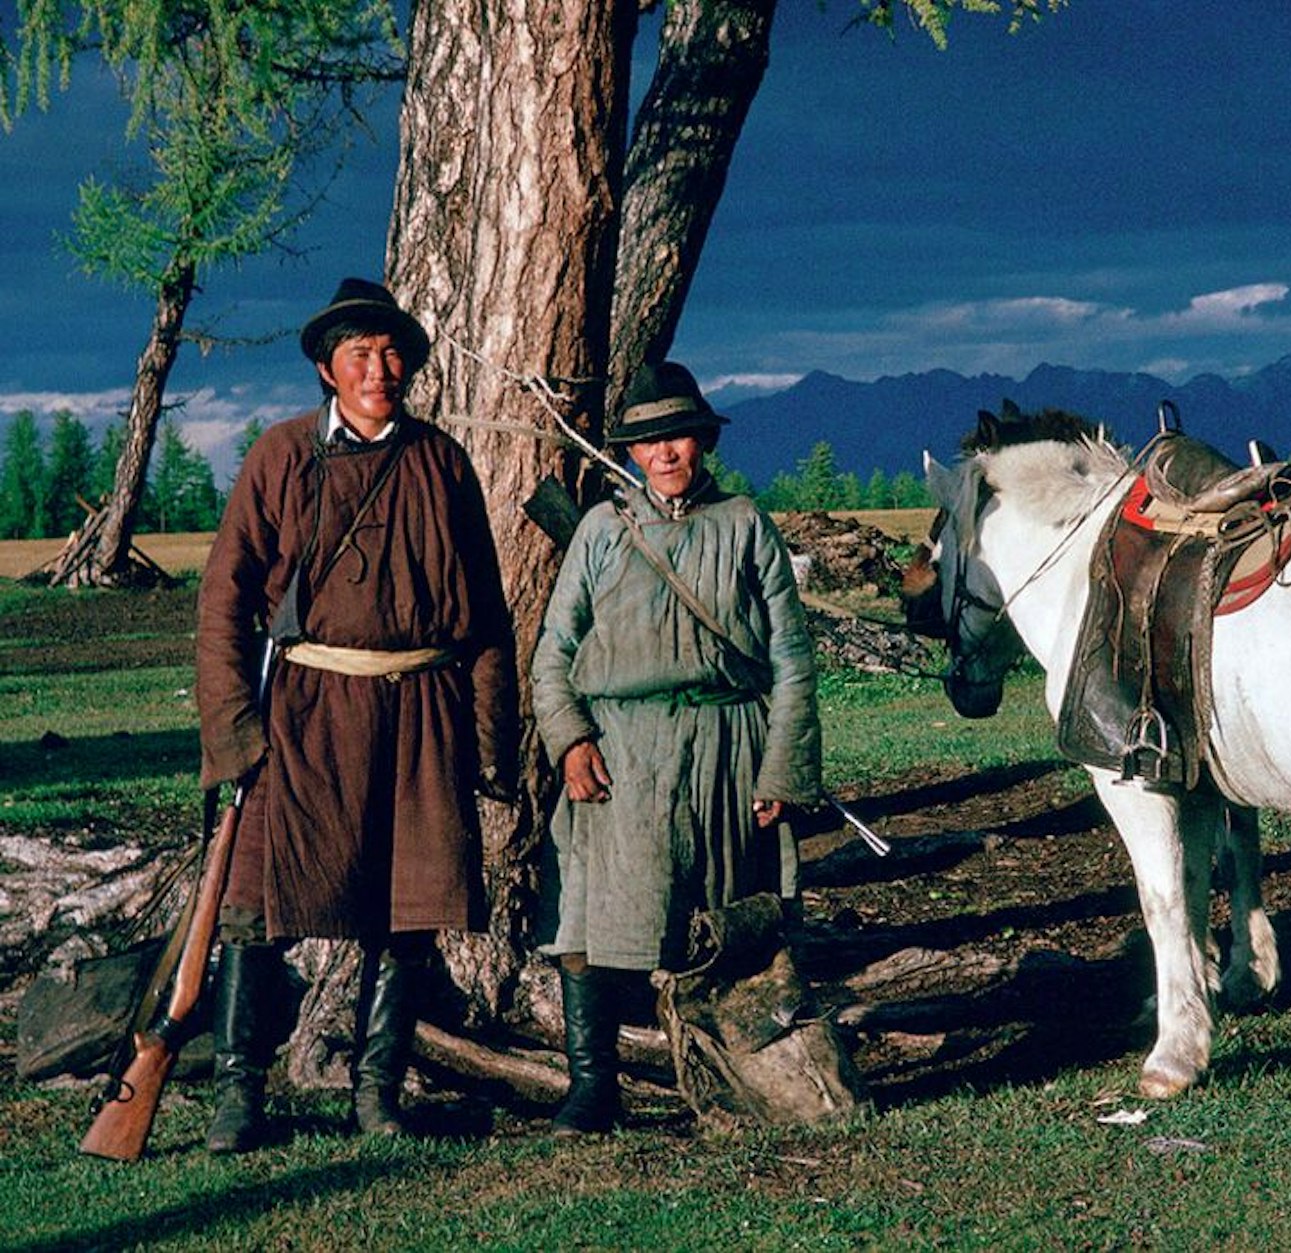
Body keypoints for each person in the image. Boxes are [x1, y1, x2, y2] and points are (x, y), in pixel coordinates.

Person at [194, 277, 519, 1153]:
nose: (379, 369)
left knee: (409, 908)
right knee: (252, 906)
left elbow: (487, 621)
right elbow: (224, 601)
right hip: (301, 719)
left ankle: (377, 1092)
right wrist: (235, 732)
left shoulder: (443, 463)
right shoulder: (281, 455)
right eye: (359, 354)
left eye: (390, 352)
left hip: (421, 718)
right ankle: (238, 1093)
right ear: (327, 369)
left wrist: (491, 742)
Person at [531, 360, 822, 1136]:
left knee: (732, 922)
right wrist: (570, 740)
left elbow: (792, 658)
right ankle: (593, 1086)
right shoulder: (601, 530)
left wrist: (782, 766)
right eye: (650, 441)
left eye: (680, 436)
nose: (666, 453)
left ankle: (741, 1081)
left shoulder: (745, 524)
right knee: (591, 917)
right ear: (631, 452)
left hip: (729, 749)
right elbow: (554, 652)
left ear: (703, 441)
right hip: (621, 754)